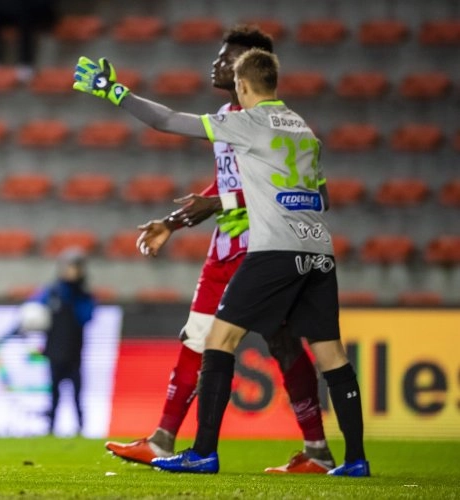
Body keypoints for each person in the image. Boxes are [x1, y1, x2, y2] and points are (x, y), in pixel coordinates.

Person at [74, 48, 370, 476]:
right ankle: (356, 460)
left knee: (219, 341)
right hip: (319, 252)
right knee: (333, 356)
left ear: (243, 86)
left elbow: (167, 121)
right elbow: (320, 196)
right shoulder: (306, 131)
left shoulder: (248, 121)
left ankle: (203, 453)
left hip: (275, 252)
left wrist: (114, 91)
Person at [26, 249, 95, 435]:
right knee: (53, 394)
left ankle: (81, 428)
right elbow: (32, 311)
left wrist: (71, 300)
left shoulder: (83, 295)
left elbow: (87, 317)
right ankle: (50, 428)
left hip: (74, 352)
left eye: (75, 268)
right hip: (54, 352)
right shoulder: (51, 292)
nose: (71, 271)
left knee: (77, 395)